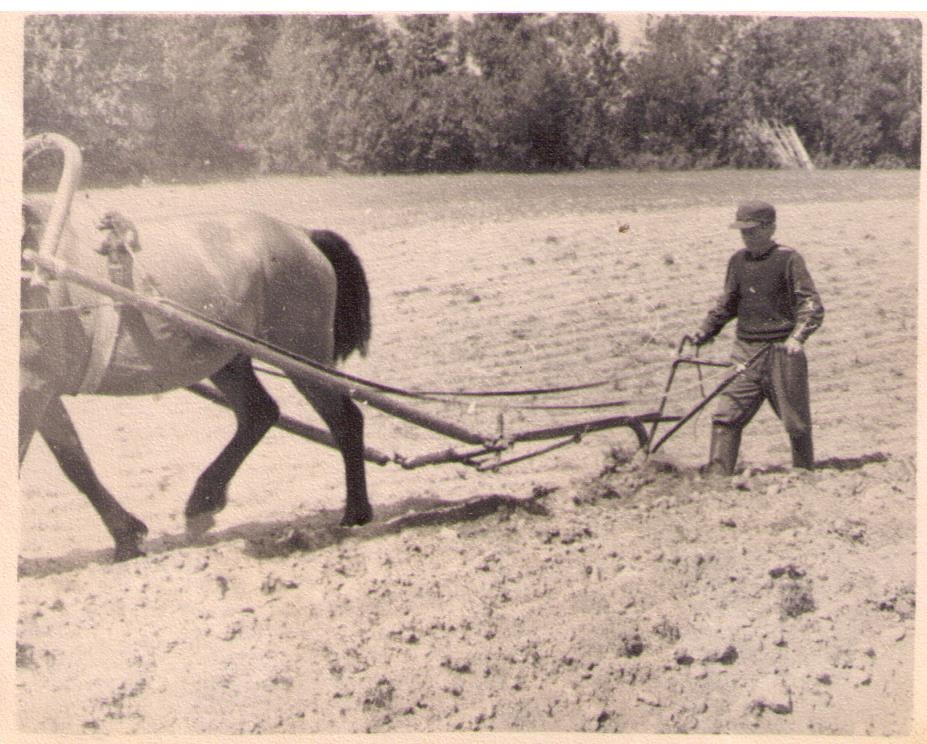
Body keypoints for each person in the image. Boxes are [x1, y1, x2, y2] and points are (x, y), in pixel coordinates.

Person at [690, 200, 824, 474]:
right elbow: (727, 304)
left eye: (752, 231)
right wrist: (705, 331)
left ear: (770, 228)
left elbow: (811, 304)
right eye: (743, 231)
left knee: (795, 422)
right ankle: (718, 476)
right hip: (745, 351)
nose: (746, 237)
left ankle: (804, 473)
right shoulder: (738, 261)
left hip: (780, 351)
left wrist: (797, 338)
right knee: (726, 414)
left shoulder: (788, 259)